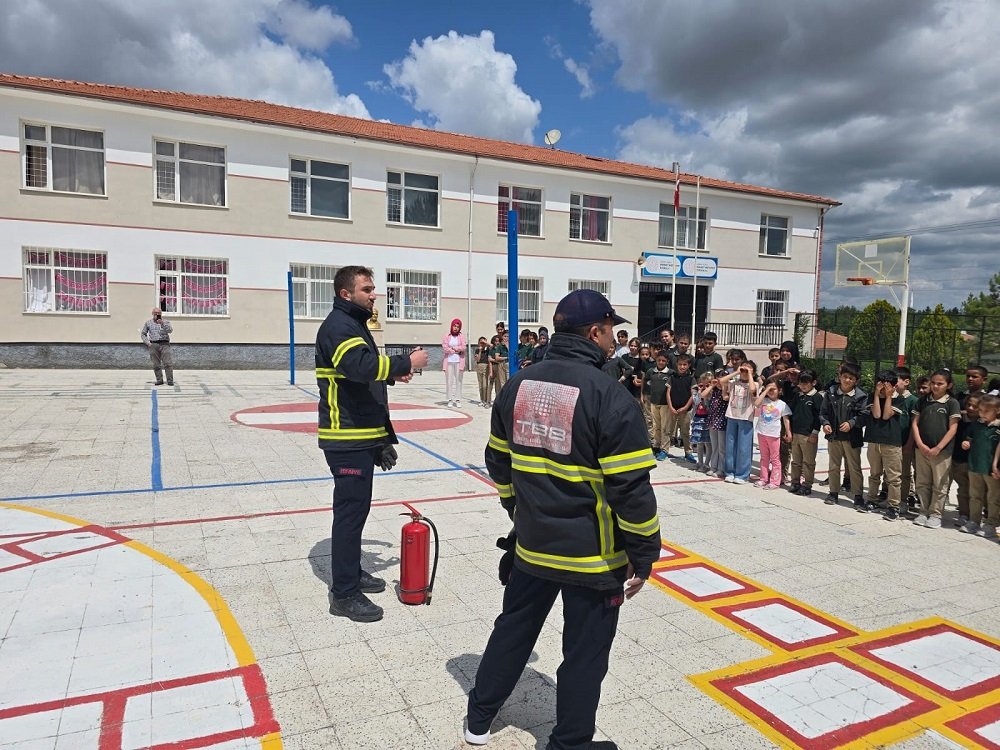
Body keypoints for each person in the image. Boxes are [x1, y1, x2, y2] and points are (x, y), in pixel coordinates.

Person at [465, 288, 660, 750]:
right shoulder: (609, 396)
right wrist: (645, 552)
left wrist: (518, 510)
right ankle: (570, 742)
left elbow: (498, 462)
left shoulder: (518, 384)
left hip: (531, 545)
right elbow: (630, 490)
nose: (614, 338)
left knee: (513, 628)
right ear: (594, 332)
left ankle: (478, 719)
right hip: (592, 560)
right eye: (611, 329)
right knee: (585, 654)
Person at [316, 265, 428, 623]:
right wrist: (405, 361)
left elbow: (363, 382)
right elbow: (358, 367)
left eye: (373, 288)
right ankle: (344, 593)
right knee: (349, 515)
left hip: (361, 436)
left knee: (358, 510)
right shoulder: (339, 326)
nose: (374, 294)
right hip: (345, 438)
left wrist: (381, 439)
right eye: (367, 289)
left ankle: (351, 572)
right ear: (346, 293)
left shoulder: (354, 324)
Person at [911, 369, 961, 529]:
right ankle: (923, 511)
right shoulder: (923, 401)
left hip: (942, 452)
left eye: (940, 383)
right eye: (933, 383)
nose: (935, 386)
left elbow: (953, 429)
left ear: (949, 385)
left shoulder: (952, 403)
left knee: (940, 484)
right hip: (922, 449)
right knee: (922, 482)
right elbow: (915, 423)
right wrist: (920, 444)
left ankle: (935, 514)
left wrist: (938, 447)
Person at [820, 362, 868, 508]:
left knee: (854, 467)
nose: (847, 380)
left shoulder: (861, 396)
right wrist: (825, 423)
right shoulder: (831, 393)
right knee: (834, 466)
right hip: (834, 437)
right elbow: (823, 413)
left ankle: (858, 495)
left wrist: (852, 423)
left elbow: (864, 415)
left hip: (851, 438)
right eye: (845, 377)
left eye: (851, 378)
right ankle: (833, 492)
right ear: (839, 377)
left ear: (856, 381)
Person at [864, 371, 907, 519]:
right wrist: (877, 395)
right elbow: (876, 414)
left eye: (886, 386)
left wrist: (888, 396)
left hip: (891, 443)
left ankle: (893, 506)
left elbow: (886, 415)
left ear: (894, 386)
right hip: (874, 440)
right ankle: (871, 499)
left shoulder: (899, 399)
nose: (883, 389)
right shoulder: (872, 396)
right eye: (880, 385)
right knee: (874, 473)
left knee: (893, 477)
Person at [960, 394, 1000, 538]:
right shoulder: (976, 425)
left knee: (993, 497)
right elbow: (969, 438)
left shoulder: (997, 428)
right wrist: (967, 443)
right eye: (981, 410)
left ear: (997, 410)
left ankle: (991, 523)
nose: (982, 414)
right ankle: (974, 521)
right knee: (975, 495)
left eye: (986, 411)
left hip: (991, 469)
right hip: (975, 465)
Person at [719, 358, 758, 484]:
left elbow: (752, 390)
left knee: (744, 447)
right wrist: (737, 372)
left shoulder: (755, 383)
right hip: (732, 416)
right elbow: (721, 381)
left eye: (747, 369)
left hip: (746, 417)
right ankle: (730, 471)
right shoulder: (734, 382)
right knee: (730, 446)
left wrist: (750, 374)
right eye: (743, 368)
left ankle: (742, 474)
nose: (744, 371)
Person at [787, 370, 823, 496]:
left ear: (813, 383)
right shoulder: (798, 395)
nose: (803, 386)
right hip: (796, 433)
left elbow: (819, 417)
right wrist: (789, 430)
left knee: (808, 462)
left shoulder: (817, 397)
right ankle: (795, 482)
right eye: (801, 383)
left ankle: (807, 484)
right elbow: (791, 413)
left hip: (808, 435)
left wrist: (815, 433)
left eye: (806, 383)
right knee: (796, 461)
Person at [754, 381, 791, 489]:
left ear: (779, 391)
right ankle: (763, 478)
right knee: (764, 457)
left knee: (775, 458)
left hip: (773, 435)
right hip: (762, 433)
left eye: (773, 389)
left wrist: (788, 432)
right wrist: (766, 390)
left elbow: (786, 419)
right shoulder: (763, 401)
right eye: (769, 389)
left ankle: (775, 481)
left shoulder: (782, 404)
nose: (771, 392)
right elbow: (756, 403)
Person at [666, 353, 696, 462]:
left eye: (684, 364)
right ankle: (664, 450)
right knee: (668, 430)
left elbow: (693, 395)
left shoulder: (691, 379)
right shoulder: (672, 377)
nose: (682, 367)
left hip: (685, 410)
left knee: (685, 432)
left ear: (688, 365)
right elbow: (668, 393)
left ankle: (688, 452)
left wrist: (685, 407)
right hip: (672, 409)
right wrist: (670, 407)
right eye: (680, 364)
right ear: (676, 364)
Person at [646, 352, 672, 461]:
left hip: (665, 404)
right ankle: (656, 446)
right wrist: (644, 395)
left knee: (665, 427)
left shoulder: (670, 373)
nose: (661, 362)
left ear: (667, 362)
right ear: (656, 360)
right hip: (654, 402)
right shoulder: (651, 371)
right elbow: (645, 382)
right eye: (659, 360)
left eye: (663, 361)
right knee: (656, 426)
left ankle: (664, 449)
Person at [140, 307, 174, 386]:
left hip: (165, 344)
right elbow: (143, 334)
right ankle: (159, 380)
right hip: (153, 344)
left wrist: (162, 324)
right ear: (152, 314)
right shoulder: (148, 323)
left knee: (168, 363)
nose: (157, 315)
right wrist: (148, 343)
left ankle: (170, 380)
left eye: (159, 313)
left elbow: (170, 330)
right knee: (156, 364)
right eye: (155, 313)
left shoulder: (166, 322)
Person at [704, 369, 728, 477]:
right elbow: (703, 395)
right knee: (715, 447)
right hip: (712, 420)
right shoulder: (713, 391)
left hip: (722, 421)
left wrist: (724, 387)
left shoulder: (727, 392)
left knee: (722, 448)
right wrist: (711, 386)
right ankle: (713, 467)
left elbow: (725, 398)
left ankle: (721, 469)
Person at [691, 372, 713, 471]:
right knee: (699, 443)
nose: (704, 387)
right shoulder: (696, 393)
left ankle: (706, 463)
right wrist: (699, 391)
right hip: (698, 419)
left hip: (706, 419)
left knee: (708, 443)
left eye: (707, 385)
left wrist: (707, 393)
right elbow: (695, 402)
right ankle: (699, 462)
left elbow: (708, 406)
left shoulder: (712, 394)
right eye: (702, 385)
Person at [442, 318, 467, 408]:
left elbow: (463, 347)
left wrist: (454, 348)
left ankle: (458, 399)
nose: (455, 328)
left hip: (459, 361)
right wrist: (452, 351)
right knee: (449, 381)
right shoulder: (447, 336)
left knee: (458, 381)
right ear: (451, 326)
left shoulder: (461, 336)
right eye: (454, 326)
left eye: (457, 326)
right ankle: (450, 399)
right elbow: (444, 347)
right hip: (449, 361)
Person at [475, 336, 492, 407]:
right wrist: (480, 351)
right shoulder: (477, 350)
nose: (482, 344)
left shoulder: (488, 349)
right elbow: (477, 360)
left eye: (483, 342)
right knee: (480, 384)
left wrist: (485, 342)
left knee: (485, 384)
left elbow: (491, 345)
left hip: (486, 366)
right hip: (479, 366)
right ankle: (482, 400)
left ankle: (486, 400)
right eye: (480, 342)